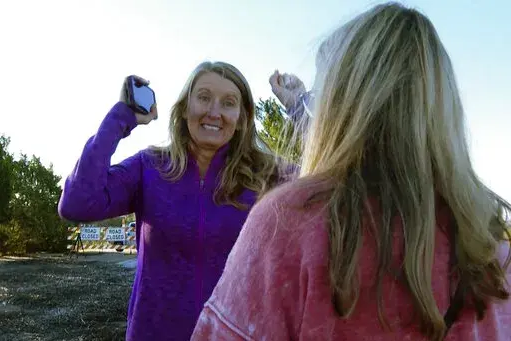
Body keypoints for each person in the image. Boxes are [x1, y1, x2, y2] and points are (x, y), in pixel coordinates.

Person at [191, 3, 511, 341]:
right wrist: (299, 105)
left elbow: (332, 160)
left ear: (339, 101)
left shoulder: (287, 222)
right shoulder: (490, 254)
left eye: (323, 91)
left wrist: (302, 106)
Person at [57, 61, 302, 341]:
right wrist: (120, 117)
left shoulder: (268, 175)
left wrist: (299, 107)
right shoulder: (149, 167)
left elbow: (343, 181)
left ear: (242, 118)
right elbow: (76, 203)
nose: (214, 112)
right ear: (186, 108)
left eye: (228, 103)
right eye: (204, 97)